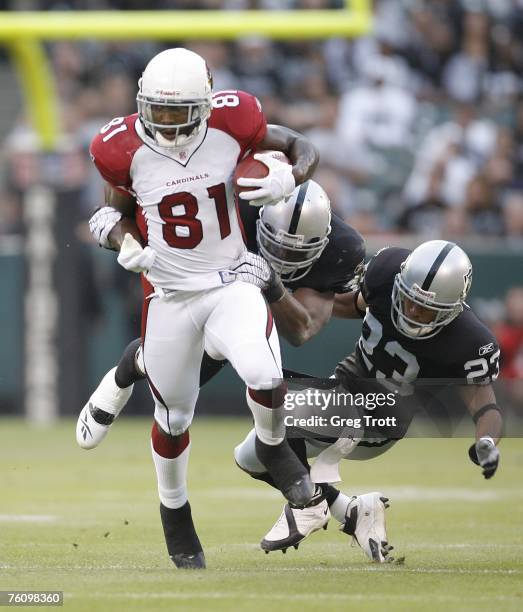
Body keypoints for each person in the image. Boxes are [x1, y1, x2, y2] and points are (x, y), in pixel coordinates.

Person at [85, 47, 322, 570]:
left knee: (263, 371)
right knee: (173, 418)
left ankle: (275, 449)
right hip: (168, 295)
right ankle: (175, 513)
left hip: (229, 280)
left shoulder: (235, 120)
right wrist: (120, 239)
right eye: (158, 111)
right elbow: (110, 211)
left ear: (208, 103)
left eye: (178, 112)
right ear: (142, 102)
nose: (167, 125)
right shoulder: (119, 146)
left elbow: (302, 145)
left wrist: (292, 177)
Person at [233, 240, 502, 562]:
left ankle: (307, 506)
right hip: (343, 388)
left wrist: (487, 440)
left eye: (427, 308)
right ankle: (352, 511)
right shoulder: (386, 272)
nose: (413, 311)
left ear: (453, 307)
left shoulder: (470, 341)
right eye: (409, 300)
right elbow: (353, 304)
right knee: (251, 454)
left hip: (381, 419)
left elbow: (485, 405)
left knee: (278, 417)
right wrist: (286, 301)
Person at [77, 179, 365, 449]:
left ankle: (307, 487)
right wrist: (117, 228)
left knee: (256, 392)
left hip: (268, 296)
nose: (283, 257)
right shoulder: (234, 211)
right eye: (276, 245)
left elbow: (302, 329)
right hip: (215, 279)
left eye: (296, 252)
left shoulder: (342, 250)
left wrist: (272, 283)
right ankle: (121, 378)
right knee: (171, 373)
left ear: (323, 240)